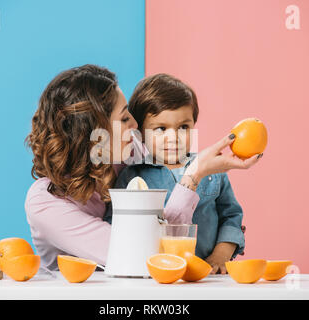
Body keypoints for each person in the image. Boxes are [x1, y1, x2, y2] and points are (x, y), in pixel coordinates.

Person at [24, 64, 260, 271]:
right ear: (93, 132)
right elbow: (141, 254)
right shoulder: (45, 203)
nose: (136, 125)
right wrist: (193, 176)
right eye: (125, 118)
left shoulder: (122, 155)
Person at [108, 74, 263, 274]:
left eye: (183, 127)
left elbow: (231, 216)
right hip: (154, 276)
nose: (173, 138)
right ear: (140, 133)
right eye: (161, 129)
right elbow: (116, 226)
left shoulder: (213, 171)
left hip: (206, 277)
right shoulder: (131, 177)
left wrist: (220, 256)